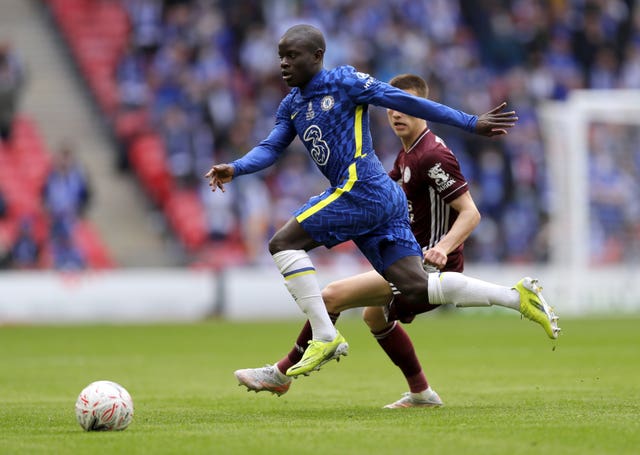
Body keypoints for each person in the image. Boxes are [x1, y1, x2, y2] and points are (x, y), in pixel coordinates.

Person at [205, 24, 520, 378]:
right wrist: (236, 167)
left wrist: (470, 122)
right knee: (416, 287)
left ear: (317, 56)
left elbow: (404, 100)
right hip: (382, 198)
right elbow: (271, 147)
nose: (283, 64)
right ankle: (517, 298)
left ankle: (325, 335)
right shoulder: (292, 105)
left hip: (361, 187)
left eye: (292, 56)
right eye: (281, 57)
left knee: (282, 243)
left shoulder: (345, 82)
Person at [233, 74, 560, 407]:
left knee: (331, 298)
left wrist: (443, 248)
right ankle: (421, 393)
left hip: (431, 262)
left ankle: (280, 374)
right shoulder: (406, 156)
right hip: (412, 257)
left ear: (418, 108)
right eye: (392, 109)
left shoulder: (431, 156)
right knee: (373, 316)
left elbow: (471, 213)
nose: (396, 114)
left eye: (404, 108)